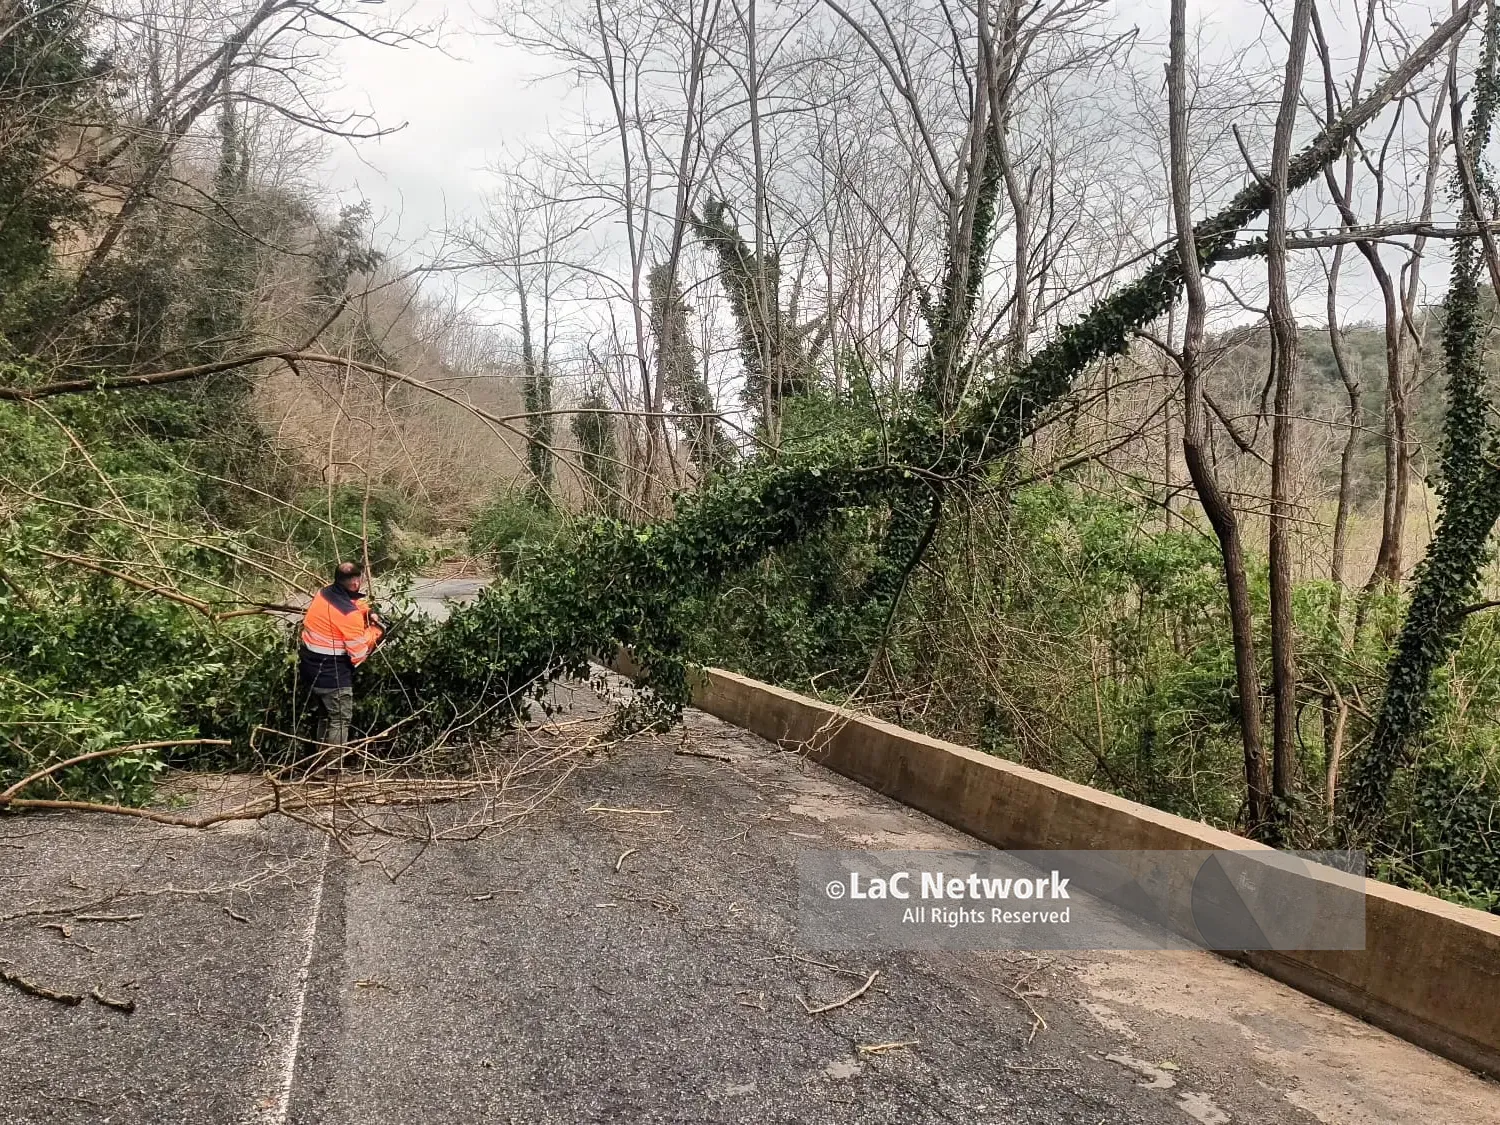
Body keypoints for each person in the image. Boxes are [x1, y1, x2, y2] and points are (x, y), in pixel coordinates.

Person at [298, 561, 385, 761]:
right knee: (339, 720)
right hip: (332, 673)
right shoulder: (349, 616)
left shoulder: (323, 594)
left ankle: (319, 764)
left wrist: (367, 611)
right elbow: (359, 653)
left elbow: (350, 604)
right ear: (356, 582)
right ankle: (333, 767)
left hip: (310, 668)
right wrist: (375, 632)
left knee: (326, 717)